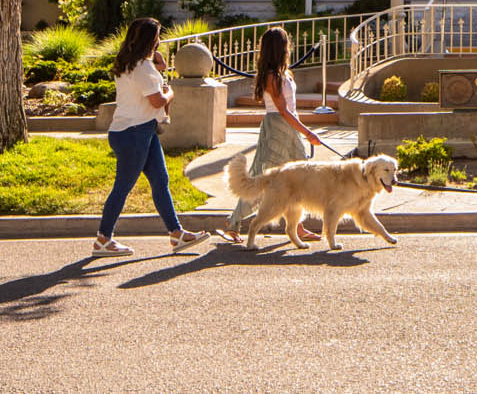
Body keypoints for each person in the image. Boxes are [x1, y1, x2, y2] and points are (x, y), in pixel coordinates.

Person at [92, 17, 211, 258]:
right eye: (157, 36)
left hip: (137, 130)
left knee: (160, 180)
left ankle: (176, 234)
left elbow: (143, 85)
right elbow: (157, 100)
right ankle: (103, 239)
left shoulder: (129, 63)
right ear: (150, 39)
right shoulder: (143, 68)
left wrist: (159, 70)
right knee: (123, 187)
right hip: (134, 133)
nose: (159, 40)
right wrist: (171, 93)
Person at [221, 26, 334, 244]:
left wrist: (301, 130)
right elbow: (282, 110)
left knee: (301, 176)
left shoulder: (285, 73)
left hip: (290, 128)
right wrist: (308, 131)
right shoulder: (272, 77)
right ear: (279, 48)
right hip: (276, 127)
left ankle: (297, 225)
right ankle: (234, 223)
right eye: (286, 44)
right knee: (262, 175)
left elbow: (291, 109)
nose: (288, 47)